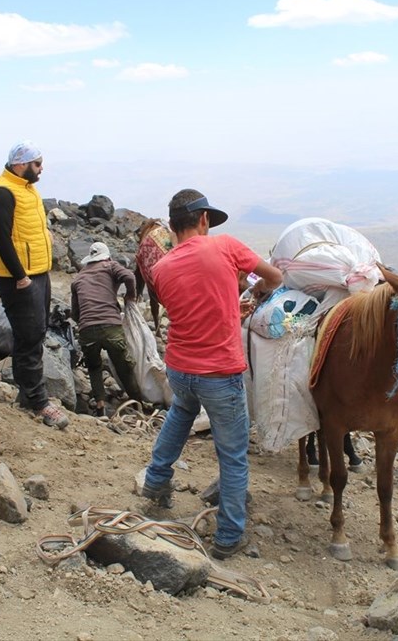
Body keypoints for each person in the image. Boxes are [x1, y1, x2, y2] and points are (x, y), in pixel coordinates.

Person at [139, 188, 282, 560]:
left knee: (181, 413)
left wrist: (232, 303)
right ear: (203, 220)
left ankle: (155, 482)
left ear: (172, 226)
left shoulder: (161, 268)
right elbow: (275, 277)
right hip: (219, 371)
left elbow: (194, 308)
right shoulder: (225, 246)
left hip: (180, 368)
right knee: (233, 455)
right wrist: (258, 290)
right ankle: (228, 535)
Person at [0, 140, 68, 430]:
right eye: (36, 163)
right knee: (30, 335)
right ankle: (38, 401)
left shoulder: (26, 189)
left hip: (37, 273)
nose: (41, 168)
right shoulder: (2, 193)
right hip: (19, 278)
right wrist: (20, 276)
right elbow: (2, 240)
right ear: (20, 164)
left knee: (35, 332)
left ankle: (28, 395)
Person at [71, 241, 143, 416]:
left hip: (87, 331)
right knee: (123, 367)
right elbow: (130, 277)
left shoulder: (78, 278)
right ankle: (137, 404)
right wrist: (130, 296)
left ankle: (101, 406)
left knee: (94, 366)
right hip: (111, 326)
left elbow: (75, 315)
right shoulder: (110, 265)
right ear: (107, 256)